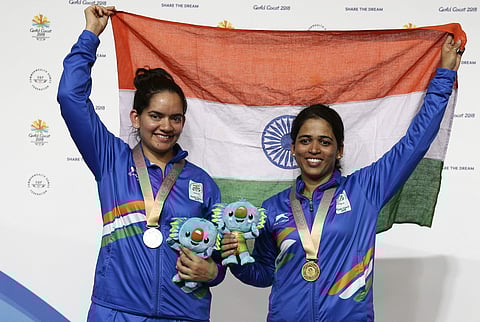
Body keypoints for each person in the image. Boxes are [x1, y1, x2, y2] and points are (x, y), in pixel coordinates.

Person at [221, 34, 463, 321]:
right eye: (305, 140)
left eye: (325, 142)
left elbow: (415, 142)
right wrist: (236, 259)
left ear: (339, 150)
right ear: (293, 148)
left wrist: (443, 77)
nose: (314, 149)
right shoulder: (273, 208)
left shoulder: (365, 190)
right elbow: (263, 275)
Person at [57, 5, 225, 322]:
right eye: (156, 116)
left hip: (183, 314)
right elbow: (70, 97)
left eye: (175, 118)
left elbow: (217, 264)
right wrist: (91, 35)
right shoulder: (111, 160)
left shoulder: (202, 184)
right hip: (118, 312)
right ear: (137, 117)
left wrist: (212, 271)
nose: (166, 126)